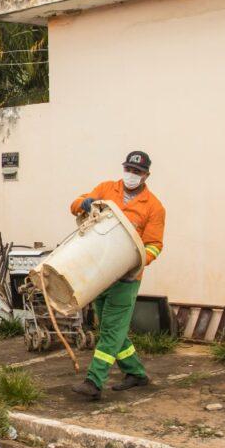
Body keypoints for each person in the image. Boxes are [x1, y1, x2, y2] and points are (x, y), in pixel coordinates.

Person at [68, 151, 165, 401]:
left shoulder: (154, 207)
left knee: (111, 330)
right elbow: (75, 204)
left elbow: (154, 245)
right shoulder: (105, 189)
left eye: (137, 172)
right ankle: (136, 373)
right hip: (100, 273)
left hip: (125, 279)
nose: (131, 175)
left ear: (146, 175)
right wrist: (85, 203)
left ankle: (94, 380)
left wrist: (135, 267)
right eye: (129, 169)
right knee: (113, 328)